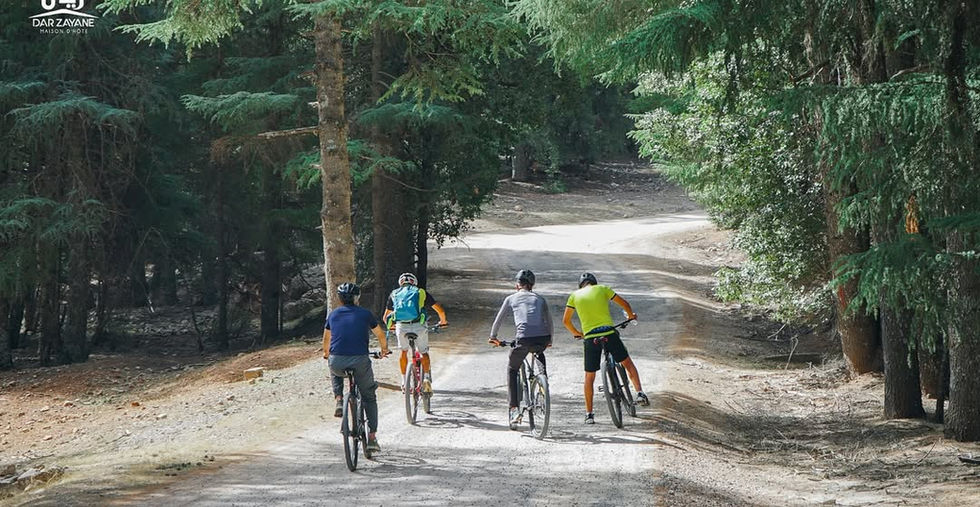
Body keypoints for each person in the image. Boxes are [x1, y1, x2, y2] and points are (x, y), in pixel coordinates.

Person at [562, 272, 649, 425]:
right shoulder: (603, 289)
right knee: (627, 363)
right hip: (609, 333)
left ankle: (589, 414)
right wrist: (630, 316)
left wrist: (578, 333)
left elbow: (566, 321)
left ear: (580, 286)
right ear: (594, 283)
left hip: (590, 338)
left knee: (589, 377)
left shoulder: (574, 296)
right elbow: (625, 304)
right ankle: (640, 393)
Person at [323, 282, 390, 452]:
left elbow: (326, 340)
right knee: (369, 397)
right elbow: (380, 334)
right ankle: (373, 437)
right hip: (360, 361)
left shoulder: (333, 315)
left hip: (337, 361)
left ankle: (339, 400)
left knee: (334, 369)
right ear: (357, 298)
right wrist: (384, 349)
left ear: (339, 299)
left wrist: (326, 354)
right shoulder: (365, 314)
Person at [488, 269, 554, 430]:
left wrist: (493, 337)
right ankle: (543, 385)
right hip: (542, 338)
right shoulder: (540, 299)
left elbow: (499, 319)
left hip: (523, 339)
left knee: (512, 369)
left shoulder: (511, 298)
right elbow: (549, 321)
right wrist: (550, 340)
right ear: (532, 285)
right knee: (539, 353)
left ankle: (514, 410)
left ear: (517, 285)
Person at [381, 272, 448, 393]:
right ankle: (426, 378)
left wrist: (391, 327)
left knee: (403, 351)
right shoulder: (420, 292)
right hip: (419, 326)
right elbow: (439, 310)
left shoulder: (394, 294)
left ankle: (403, 382)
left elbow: (385, 318)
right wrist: (443, 321)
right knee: (423, 352)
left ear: (400, 283)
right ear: (414, 282)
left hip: (401, 327)